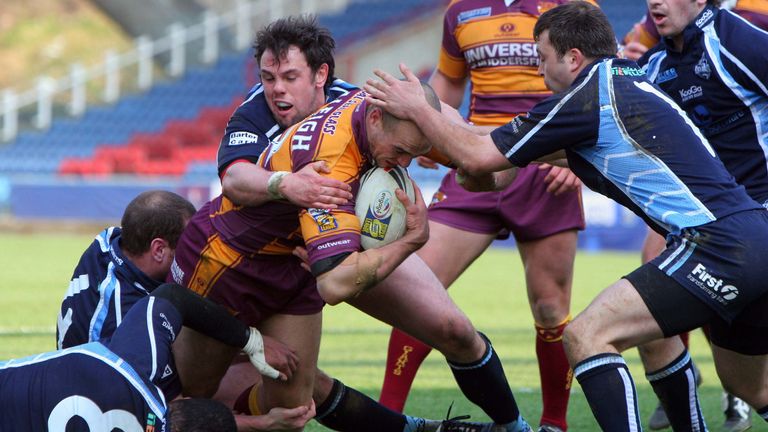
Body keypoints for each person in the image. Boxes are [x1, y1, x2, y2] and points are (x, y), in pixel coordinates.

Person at [364, 2, 768, 430]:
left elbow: (480, 155)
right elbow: (502, 157)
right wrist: (446, 131)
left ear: (573, 57)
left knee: (586, 335)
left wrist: (420, 111)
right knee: (747, 385)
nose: (539, 72)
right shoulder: (620, 81)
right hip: (750, 237)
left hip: (717, 245)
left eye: (541, 58)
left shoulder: (585, 98)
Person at [174, 14, 530, 432]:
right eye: (269, 77)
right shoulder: (256, 114)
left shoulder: (378, 105)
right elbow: (234, 178)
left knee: (452, 328)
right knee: (231, 394)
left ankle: (515, 427)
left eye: (289, 76)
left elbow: (490, 161)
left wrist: (477, 168)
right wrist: (285, 184)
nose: (277, 89)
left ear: (321, 74)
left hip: (337, 248)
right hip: (260, 258)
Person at [377, 3, 586, 432]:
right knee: (420, 292)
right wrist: (426, 130)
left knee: (550, 308)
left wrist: (577, 157)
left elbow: (593, 86)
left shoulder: (571, 8)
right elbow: (449, 83)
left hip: (547, 168)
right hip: (475, 161)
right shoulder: (461, 11)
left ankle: (554, 424)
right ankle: (387, 417)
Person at [54, 189, 308, 431]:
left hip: (83, 370)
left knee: (270, 358)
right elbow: (171, 418)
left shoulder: (110, 240)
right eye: (187, 247)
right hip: (105, 409)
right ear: (158, 249)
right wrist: (264, 424)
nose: (195, 254)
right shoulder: (127, 321)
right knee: (271, 373)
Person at [627, 0, 768, 429]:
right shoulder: (652, 67)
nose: (656, 1)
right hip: (717, 232)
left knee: (616, 323)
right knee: (747, 384)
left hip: (758, 221)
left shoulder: (738, 40)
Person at [3, 283, 314, 432]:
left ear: (183, 402)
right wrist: (262, 423)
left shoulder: (136, 367)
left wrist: (251, 340)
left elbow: (170, 297)